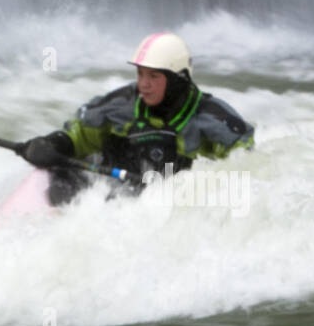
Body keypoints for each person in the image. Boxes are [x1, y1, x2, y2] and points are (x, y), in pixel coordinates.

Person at [18, 32, 254, 205]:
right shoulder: (120, 106)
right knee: (61, 179)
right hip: (114, 197)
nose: (143, 84)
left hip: (173, 206)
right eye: (140, 74)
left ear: (177, 79)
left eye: (153, 76)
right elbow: (80, 136)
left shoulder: (216, 122)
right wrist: (53, 143)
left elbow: (250, 170)